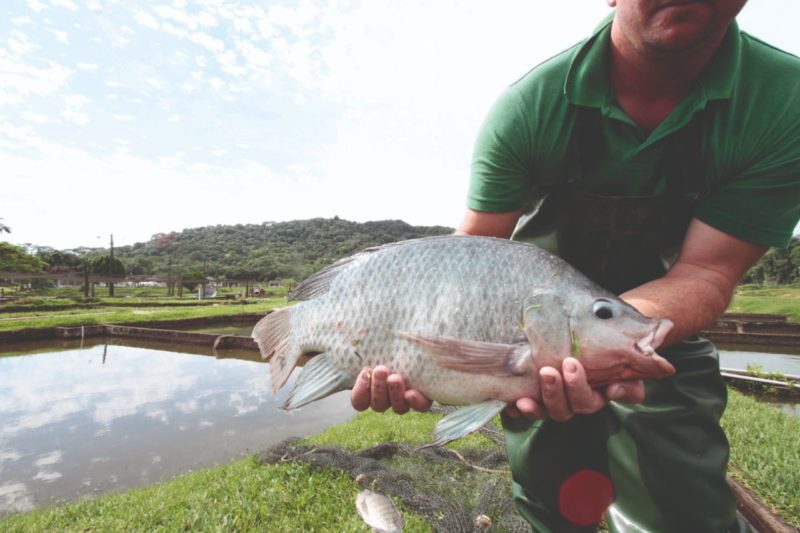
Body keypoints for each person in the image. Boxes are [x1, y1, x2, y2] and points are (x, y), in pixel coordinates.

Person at [352, 1, 800, 531]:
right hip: (521, 334)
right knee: (555, 500)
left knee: (683, 507)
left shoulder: (785, 101)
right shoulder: (530, 105)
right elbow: (470, 253)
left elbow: (708, 271)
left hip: (656, 326)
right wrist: (426, 357)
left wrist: (607, 342)